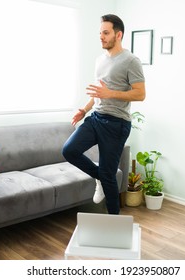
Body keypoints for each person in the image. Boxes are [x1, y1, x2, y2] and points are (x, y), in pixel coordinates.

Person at [62, 14, 146, 214]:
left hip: (117, 124)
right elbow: (99, 93)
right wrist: (84, 110)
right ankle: (98, 176)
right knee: (69, 150)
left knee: (109, 175)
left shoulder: (131, 61)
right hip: (96, 118)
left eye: (106, 33)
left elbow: (141, 94)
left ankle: (114, 225)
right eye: (100, 33)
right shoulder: (100, 60)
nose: (101, 37)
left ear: (118, 35)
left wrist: (111, 93)